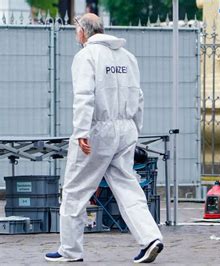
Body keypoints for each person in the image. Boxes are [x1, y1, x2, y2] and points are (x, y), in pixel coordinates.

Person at [45, 13, 163, 263]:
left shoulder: (86, 56)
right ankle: (150, 237)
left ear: (82, 31)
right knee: (128, 187)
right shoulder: (127, 57)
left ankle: (70, 250)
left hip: (98, 129)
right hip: (125, 129)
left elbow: (84, 96)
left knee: (75, 190)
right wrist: (135, 129)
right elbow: (138, 97)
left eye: (76, 28)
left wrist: (81, 131)